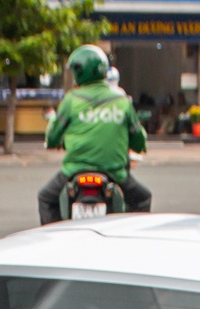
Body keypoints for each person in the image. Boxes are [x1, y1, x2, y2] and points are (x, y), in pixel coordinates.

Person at [38, 45, 150, 225]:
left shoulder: (71, 100)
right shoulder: (122, 101)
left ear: (80, 73)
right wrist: (138, 146)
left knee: (46, 199)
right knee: (142, 198)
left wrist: (56, 142)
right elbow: (139, 139)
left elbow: (52, 137)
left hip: (74, 170)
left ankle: (55, 242)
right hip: (115, 172)